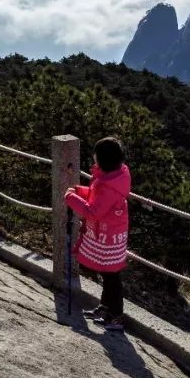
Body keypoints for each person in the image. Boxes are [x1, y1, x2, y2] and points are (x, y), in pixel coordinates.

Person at [64, 137, 131, 331]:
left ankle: (116, 317)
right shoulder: (115, 177)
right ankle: (105, 308)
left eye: (96, 154)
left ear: (103, 159)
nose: (93, 157)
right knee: (108, 273)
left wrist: (70, 198)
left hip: (107, 234)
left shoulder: (106, 184)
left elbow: (94, 210)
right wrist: (79, 191)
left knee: (111, 276)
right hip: (111, 231)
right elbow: (98, 199)